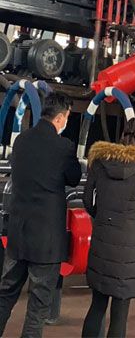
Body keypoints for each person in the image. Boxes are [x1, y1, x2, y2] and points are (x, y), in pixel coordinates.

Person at [0, 93, 81, 337]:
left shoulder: (21, 141)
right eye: (67, 117)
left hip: (18, 234)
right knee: (37, 307)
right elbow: (74, 178)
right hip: (46, 241)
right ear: (60, 118)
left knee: (5, 295)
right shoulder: (63, 147)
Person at [81, 118, 135, 338]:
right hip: (129, 249)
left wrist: (101, 217)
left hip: (102, 242)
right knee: (120, 314)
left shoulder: (100, 162)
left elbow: (87, 200)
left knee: (97, 306)